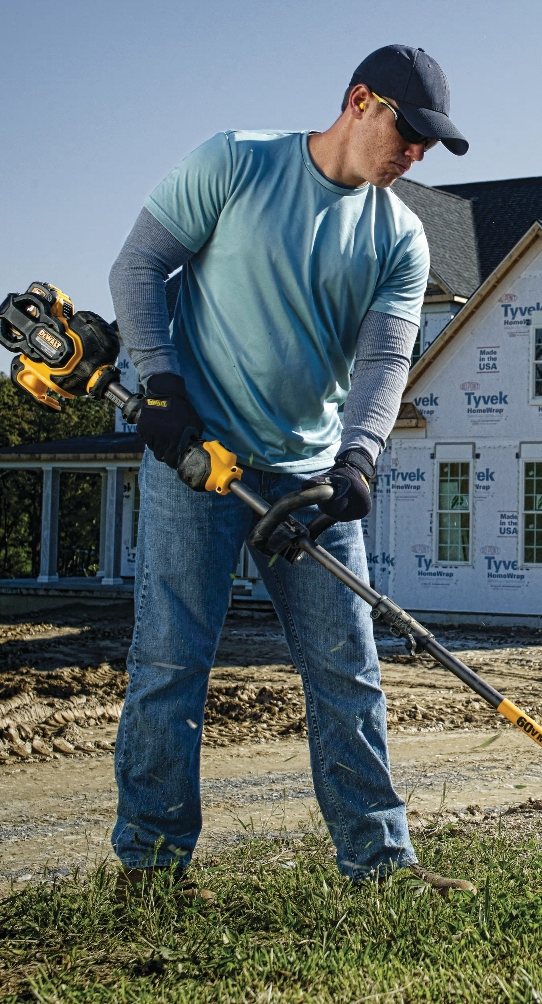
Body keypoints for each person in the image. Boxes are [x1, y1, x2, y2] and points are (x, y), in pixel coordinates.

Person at [107, 45, 474, 896]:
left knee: (349, 667)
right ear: (359, 101)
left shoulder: (400, 236)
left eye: (428, 145)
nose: (414, 154)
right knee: (170, 661)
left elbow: (386, 360)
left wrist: (360, 458)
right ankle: (152, 872)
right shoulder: (235, 162)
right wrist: (160, 380)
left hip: (311, 479)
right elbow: (137, 266)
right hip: (200, 459)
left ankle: (380, 867)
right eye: (408, 133)